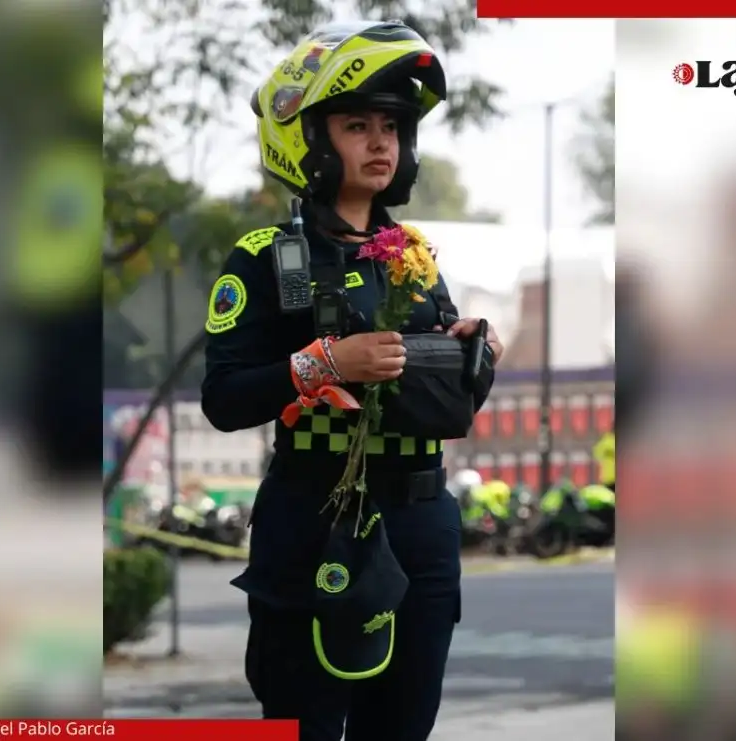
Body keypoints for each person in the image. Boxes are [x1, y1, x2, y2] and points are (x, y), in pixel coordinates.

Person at [199, 20, 504, 741]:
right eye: (357, 123)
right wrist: (328, 363)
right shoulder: (264, 257)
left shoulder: (417, 257)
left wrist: (471, 357)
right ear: (307, 137)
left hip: (422, 528)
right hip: (314, 522)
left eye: (393, 126)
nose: (379, 142)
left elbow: (444, 407)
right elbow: (224, 397)